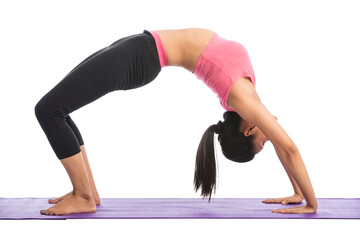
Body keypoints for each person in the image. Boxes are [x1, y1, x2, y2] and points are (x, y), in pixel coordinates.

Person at [34, 28, 317, 216]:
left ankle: (83, 196)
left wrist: (304, 198)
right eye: (262, 147)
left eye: (261, 146)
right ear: (250, 129)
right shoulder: (247, 98)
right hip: (140, 48)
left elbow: (286, 148)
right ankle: (88, 193)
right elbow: (287, 148)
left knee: (49, 110)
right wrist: (304, 198)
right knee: (57, 109)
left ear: (249, 129)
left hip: (141, 56)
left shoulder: (244, 100)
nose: (268, 141)